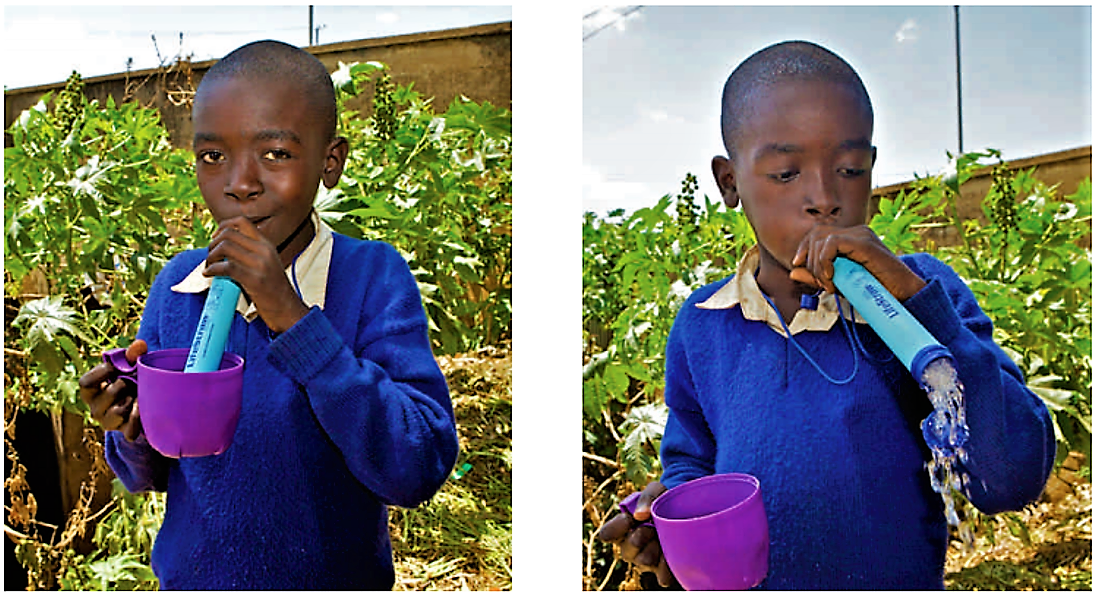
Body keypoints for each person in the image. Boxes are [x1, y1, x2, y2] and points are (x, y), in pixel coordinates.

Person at [598, 40, 1055, 590]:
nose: (823, 197)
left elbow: (1010, 477)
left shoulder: (922, 299)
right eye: (786, 173)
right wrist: (670, 520)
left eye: (849, 168)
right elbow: (691, 465)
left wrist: (913, 304)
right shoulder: (703, 325)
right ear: (729, 182)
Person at [78, 40, 459, 590]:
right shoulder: (178, 289)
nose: (239, 183)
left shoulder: (372, 276)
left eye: (275, 153)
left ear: (331, 162)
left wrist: (292, 317)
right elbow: (153, 475)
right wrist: (131, 426)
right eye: (213, 157)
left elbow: (415, 465)